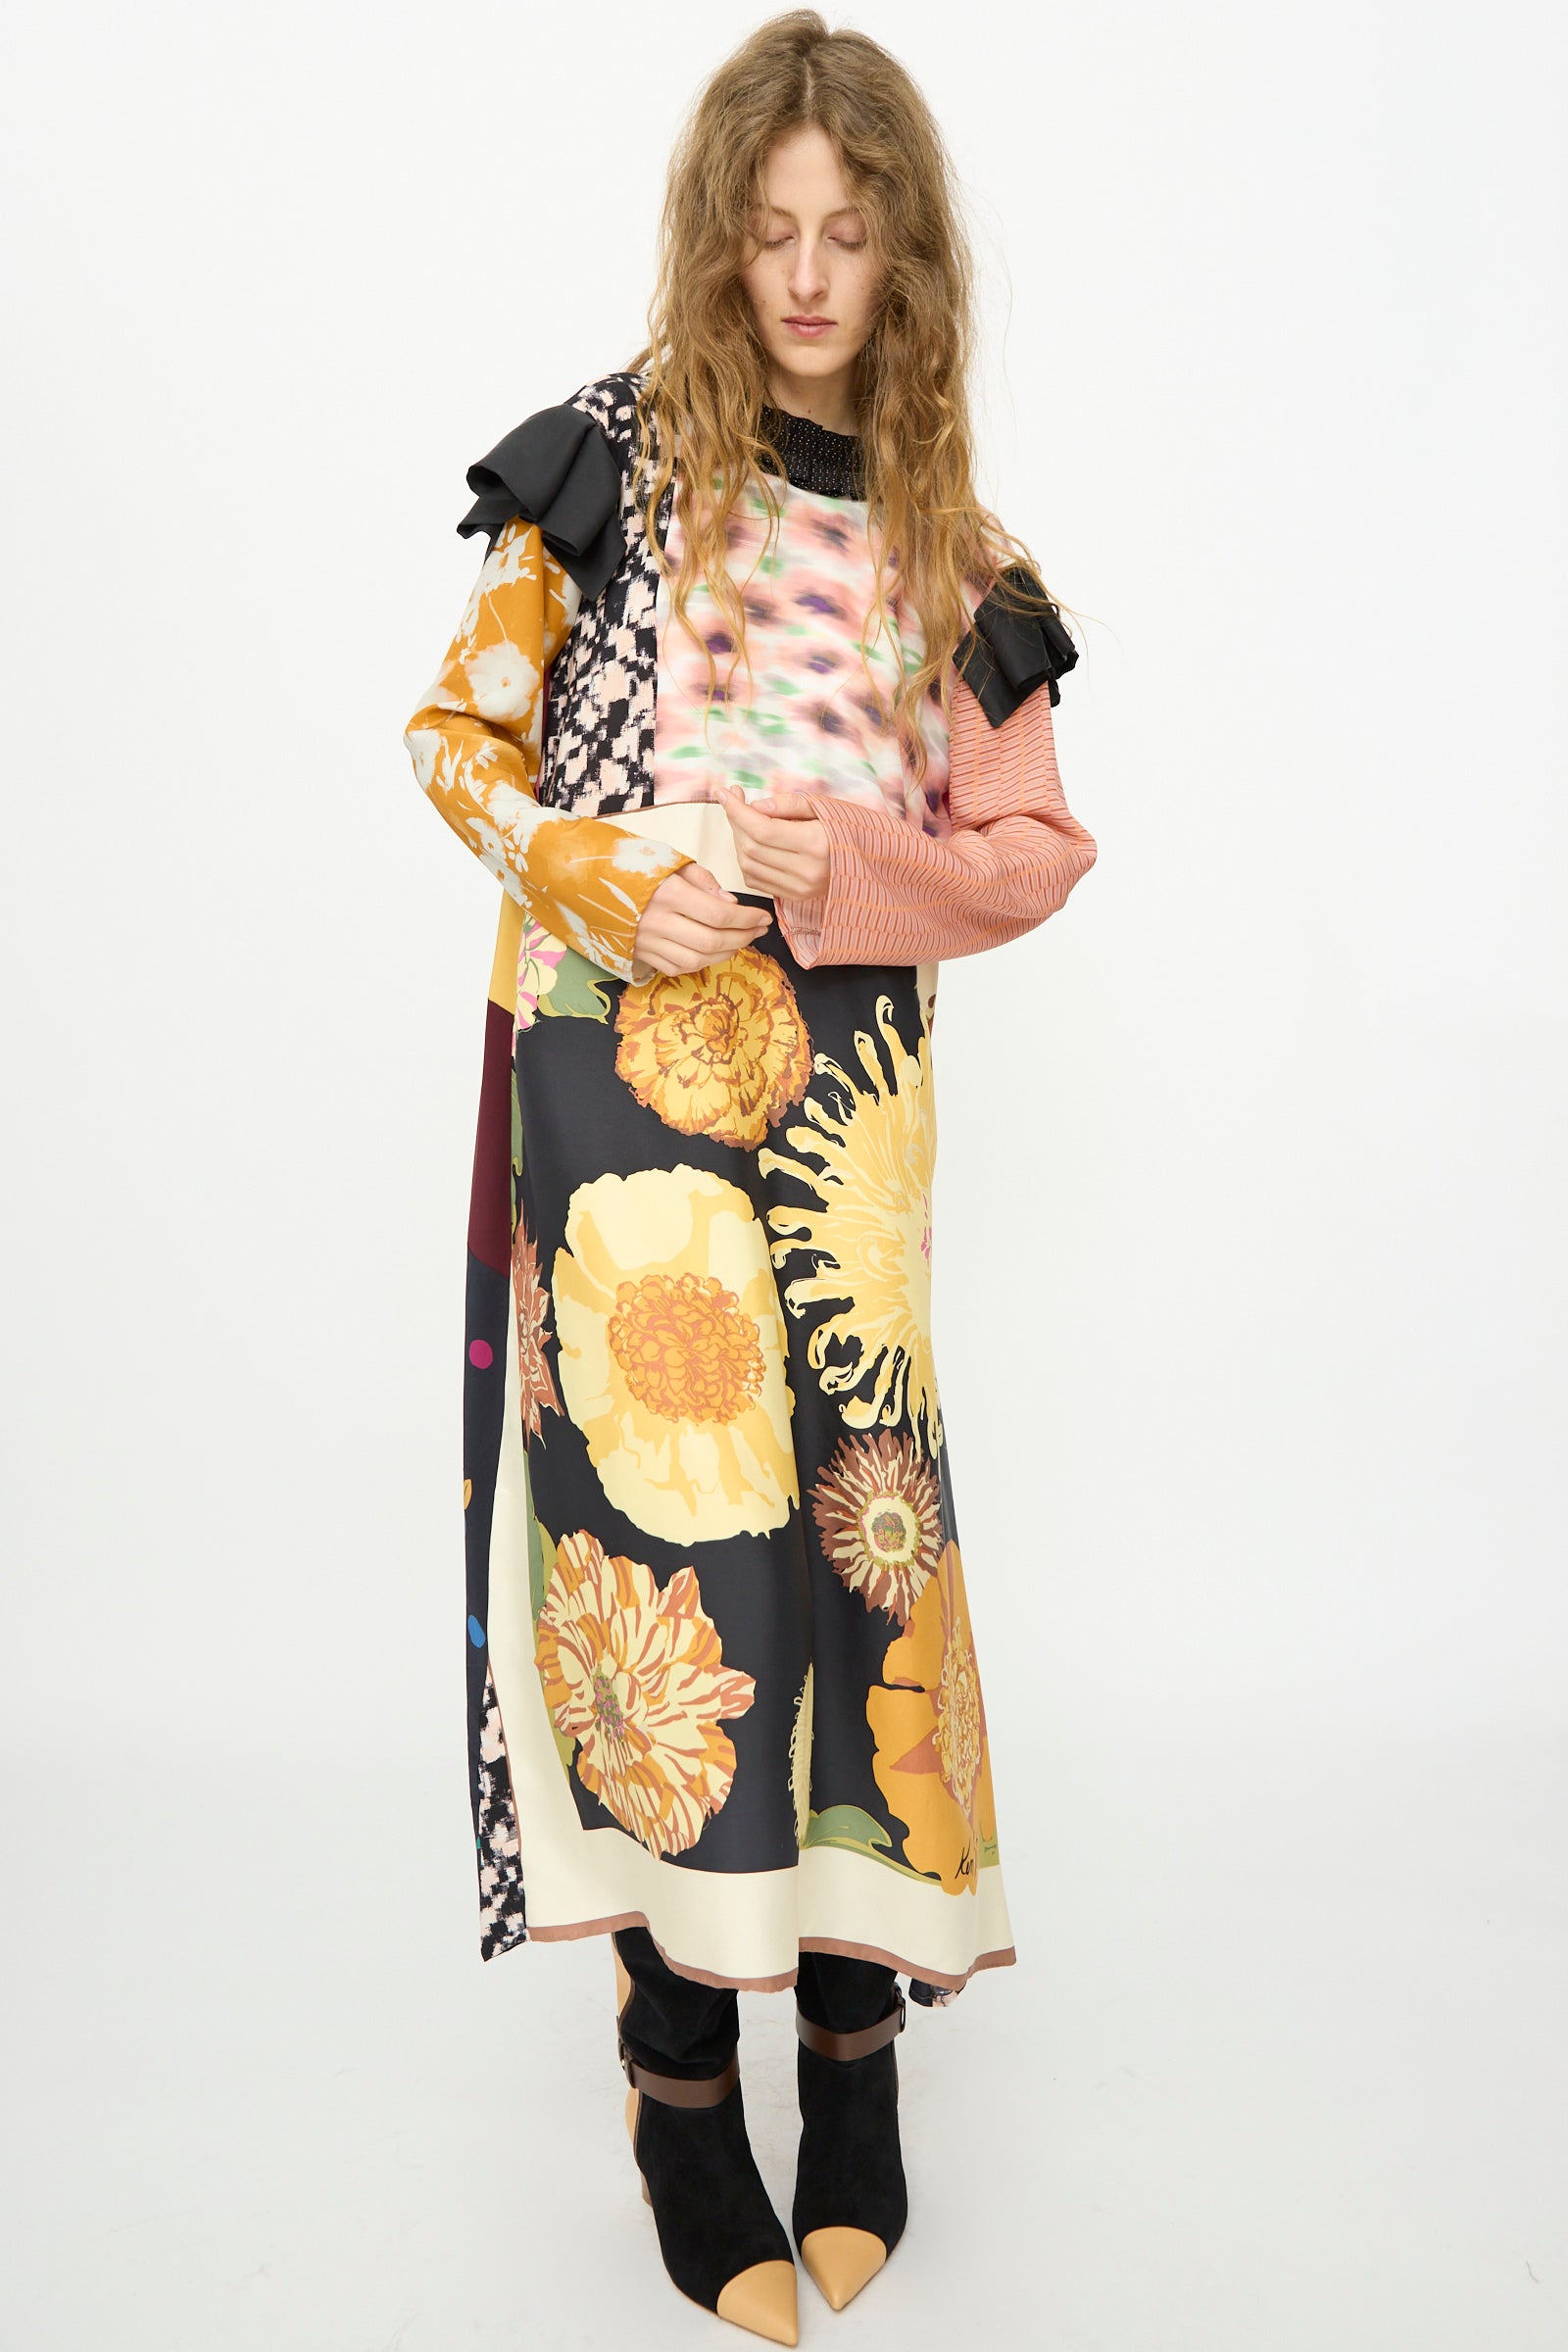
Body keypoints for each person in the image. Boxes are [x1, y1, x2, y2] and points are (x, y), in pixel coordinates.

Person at [403, 13, 1098, 2342]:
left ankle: (852, 2038)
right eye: (769, 231)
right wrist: (600, 872)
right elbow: (451, 741)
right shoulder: (596, 467)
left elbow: (1031, 852)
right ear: (722, 241)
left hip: (841, 1121)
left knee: (849, 1550)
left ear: (902, 257)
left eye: (849, 233)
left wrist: (853, 861)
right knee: (658, 1572)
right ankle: (679, 2069)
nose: (805, 276)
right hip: (617, 1096)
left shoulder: (942, 550)